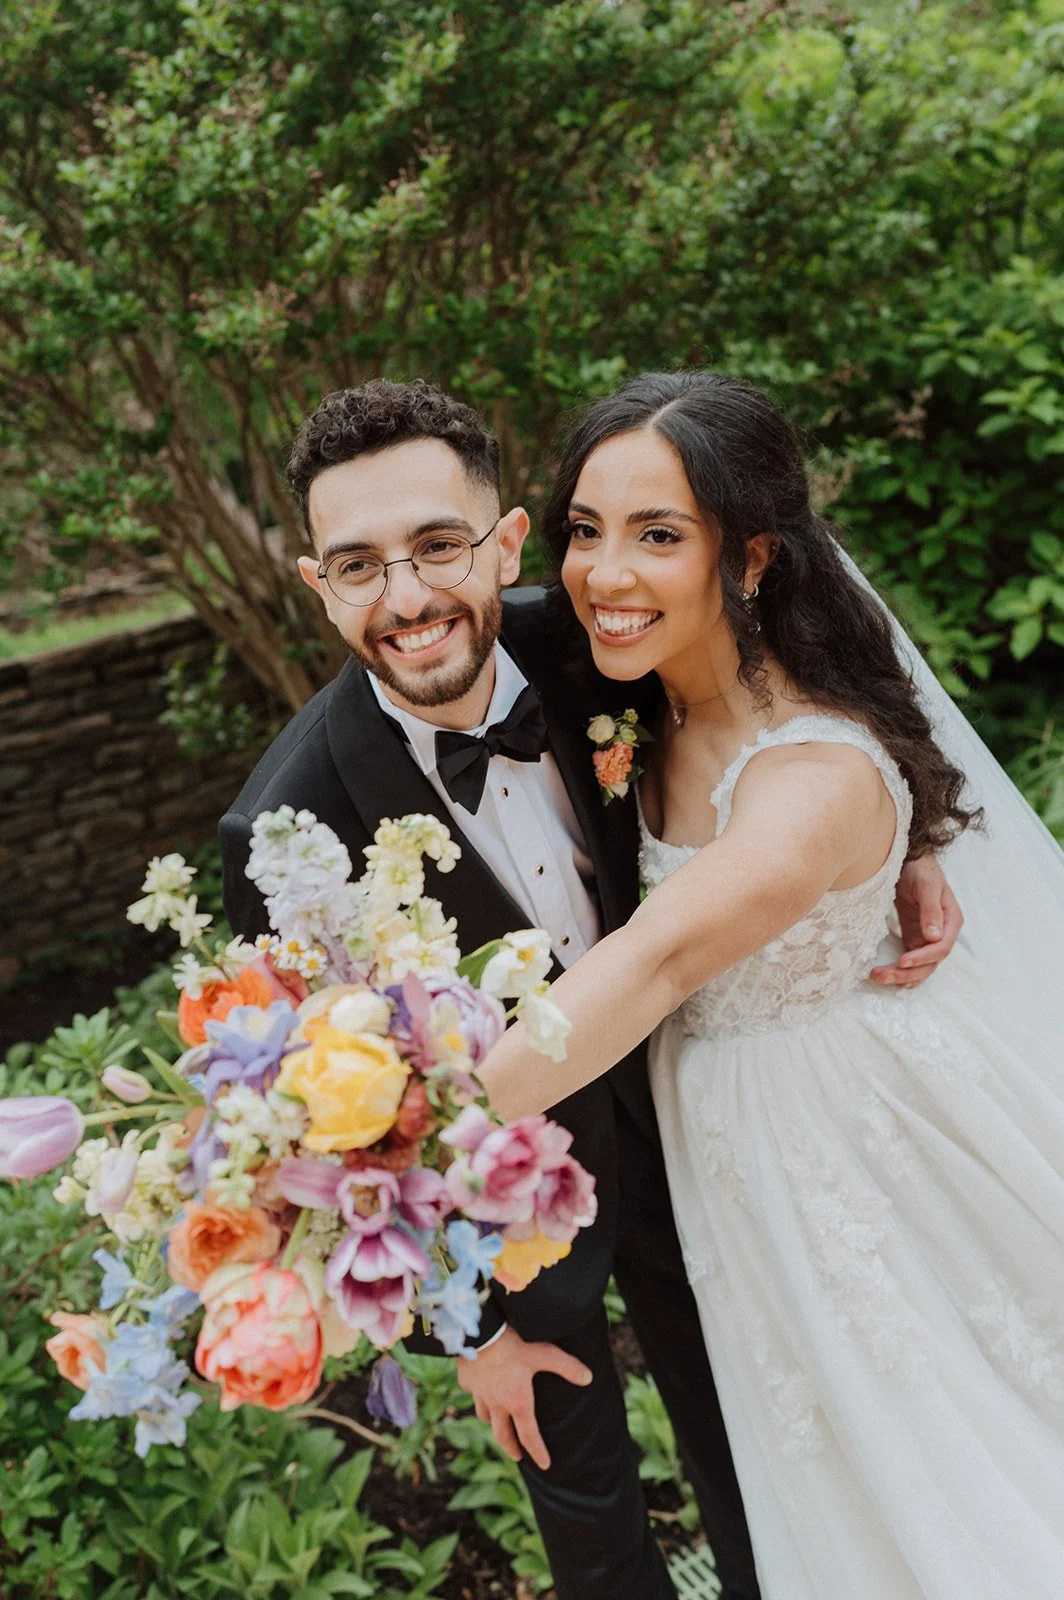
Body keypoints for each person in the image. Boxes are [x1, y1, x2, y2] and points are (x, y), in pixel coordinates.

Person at [219, 380, 959, 1600]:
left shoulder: (596, 633)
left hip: (698, 1119)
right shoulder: (281, 832)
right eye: (357, 566)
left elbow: (792, 694)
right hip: (508, 1225)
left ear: (506, 541)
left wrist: (903, 834)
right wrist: (469, 1336)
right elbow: (332, 1126)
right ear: (316, 583)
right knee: (590, 1526)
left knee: (763, 1448)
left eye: (436, 547)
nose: (404, 599)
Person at [474, 370, 1064, 1600]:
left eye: (656, 535)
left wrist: (392, 1125)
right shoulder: (631, 694)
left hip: (848, 1159)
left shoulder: (808, 784)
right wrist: (922, 848)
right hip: (744, 1156)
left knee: (947, 1473)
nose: (602, 573)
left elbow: (655, 960)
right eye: (585, 529)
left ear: (748, 562)